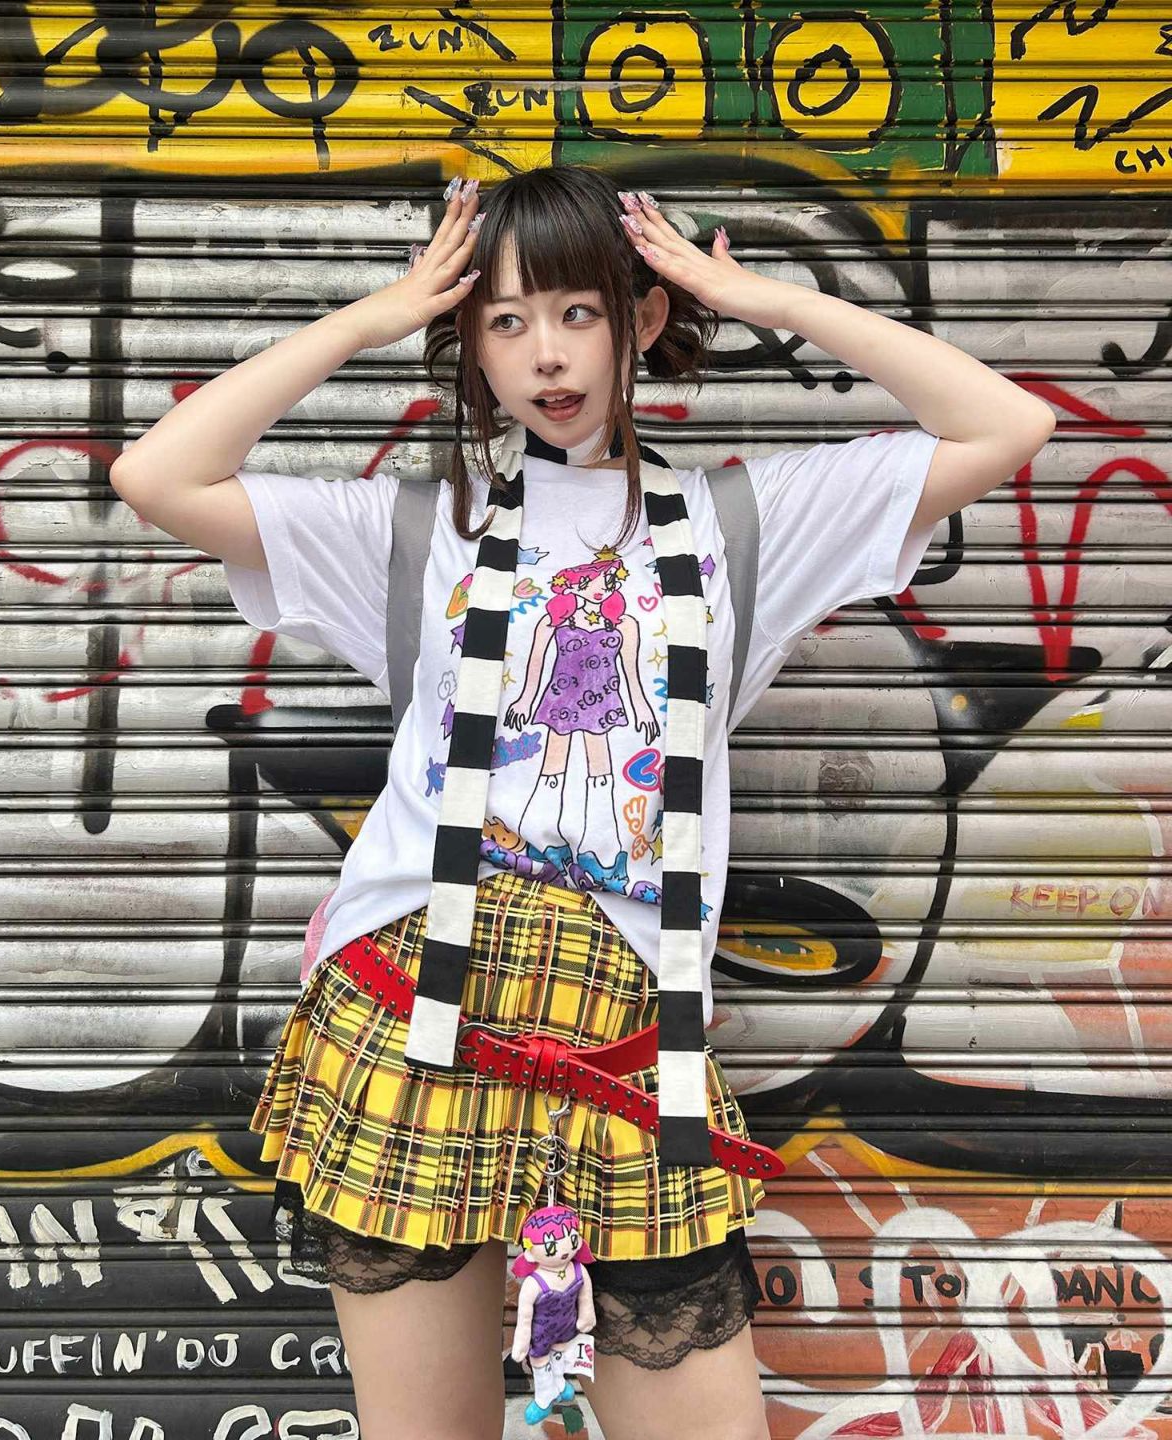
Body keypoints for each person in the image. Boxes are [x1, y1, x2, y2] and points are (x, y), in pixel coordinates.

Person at [109, 164, 1056, 1440]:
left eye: (578, 313)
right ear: (471, 346)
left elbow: (1004, 425)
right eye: (505, 323)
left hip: (624, 1036)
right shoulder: (415, 531)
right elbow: (157, 476)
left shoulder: (740, 526)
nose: (546, 355)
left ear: (638, 321)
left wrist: (760, 297)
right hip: (412, 1017)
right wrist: (374, 319)